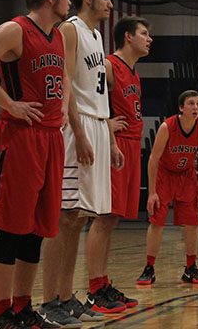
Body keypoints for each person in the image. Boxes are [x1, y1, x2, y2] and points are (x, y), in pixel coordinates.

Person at [0, 0, 73, 329]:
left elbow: (63, 76)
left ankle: (22, 308)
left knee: (36, 229)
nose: (68, 1)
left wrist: (64, 104)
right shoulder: (15, 29)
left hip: (50, 139)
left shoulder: (58, 37)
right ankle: (0, 313)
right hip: (19, 138)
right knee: (10, 229)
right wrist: (9, 103)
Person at [42, 0, 127, 319]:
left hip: (96, 126)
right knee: (63, 216)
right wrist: (79, 131)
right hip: (77, 129)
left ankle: (65, 296)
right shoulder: (71, 29)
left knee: (77, 217)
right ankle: (50, 300)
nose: (110, 4)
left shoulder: (96, 36)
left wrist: (109, 137)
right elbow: (65, 88)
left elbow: (96, 94)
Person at [75, 16, 151, 314]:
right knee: (103, 217)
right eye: (144, 33)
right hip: (115, 147)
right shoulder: (108, 65)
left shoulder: (134, 72)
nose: (149, 39)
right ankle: (94, 289)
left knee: (114, 218)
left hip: (131, 146)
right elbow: (85, 94)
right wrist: (107, 128)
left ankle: (103, 282)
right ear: (128, 37)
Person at [136, 90, 198, 286]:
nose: (195, 107)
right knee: (157, 221)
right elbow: (153, 159)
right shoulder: (167, 126)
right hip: (165, 175)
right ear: (181, 108)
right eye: (191, 104)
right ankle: (149, 267)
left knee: (192, 222)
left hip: (187, 176)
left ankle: (190, 267)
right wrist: (152, 192)